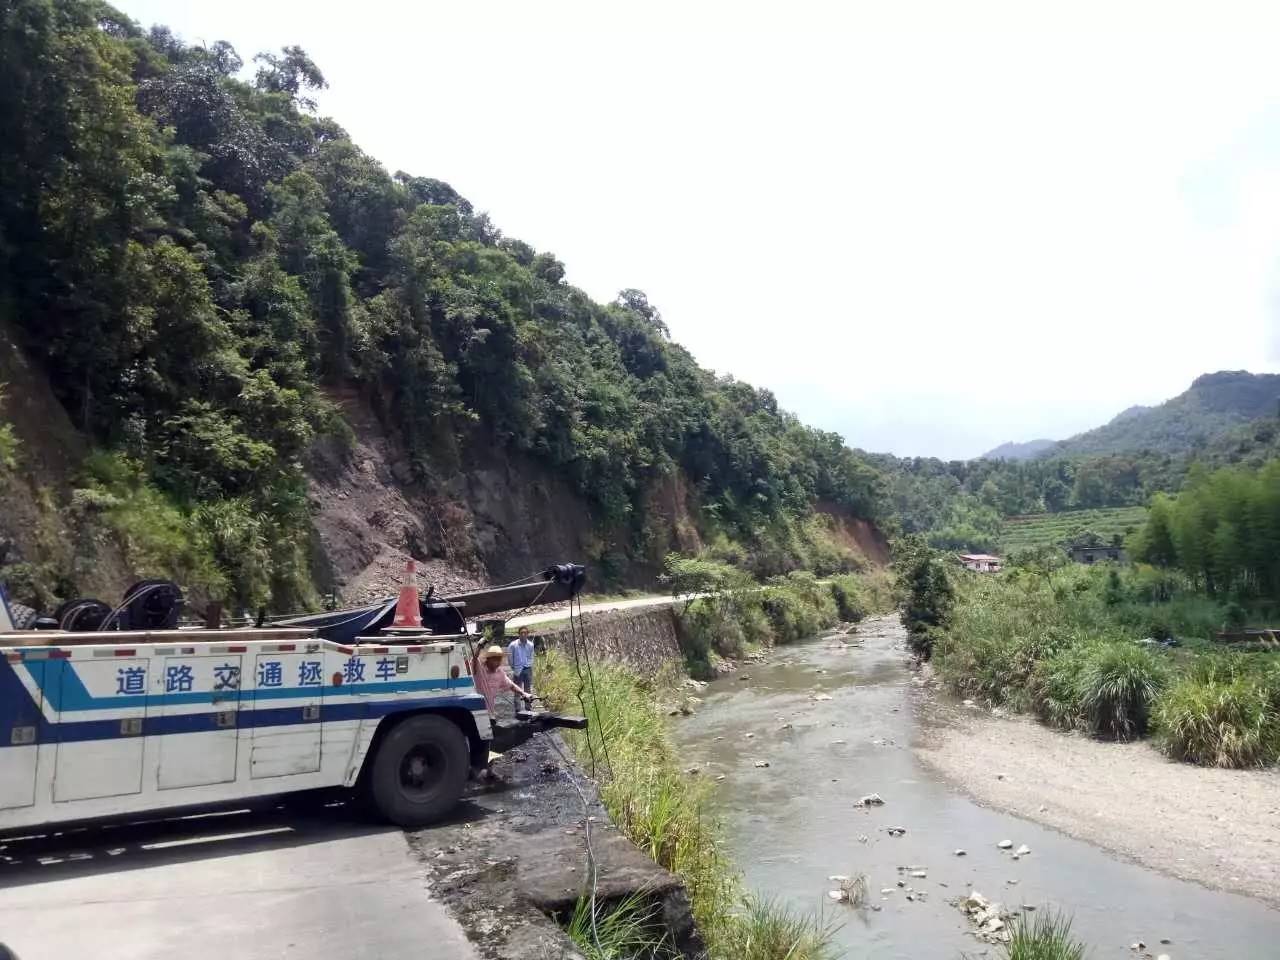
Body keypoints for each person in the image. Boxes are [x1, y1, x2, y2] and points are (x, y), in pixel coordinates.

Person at [471, 644, 531, 719]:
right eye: (496, 659)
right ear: (489, 659)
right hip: (476, 711)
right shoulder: (479, 668)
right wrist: (479, 647)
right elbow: (474, 659)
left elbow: (511, 685)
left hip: (490, 713)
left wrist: (523, 693)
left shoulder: (500, 672)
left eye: (500, 659)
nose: (498, 662)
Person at [507, 626, 536, 710]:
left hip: (527, 669)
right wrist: (514, 667)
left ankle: (528, 707)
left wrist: (529, 664)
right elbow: (510, 658)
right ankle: (518, 709)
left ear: (527, 634)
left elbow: (531, 656)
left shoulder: (530, 644)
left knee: (528, 689)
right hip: (518, 669)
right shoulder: (513, 645)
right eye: (521, 633)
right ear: (518, 634)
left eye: (525, 633)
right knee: (517, 690)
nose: (523, 634)